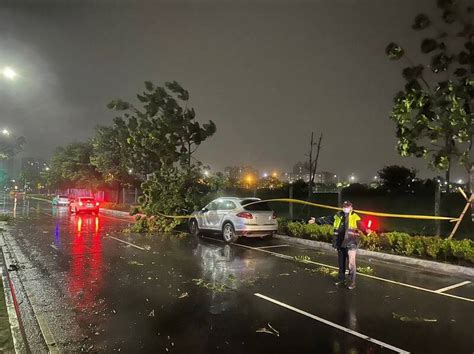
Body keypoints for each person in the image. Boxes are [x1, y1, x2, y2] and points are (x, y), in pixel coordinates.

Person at [332, 201, 369, 290]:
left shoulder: (355, 216)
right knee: (341, 263)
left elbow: (361, 225)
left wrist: (366, 231)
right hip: (340, 242)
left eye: (348, 206)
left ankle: (352, 282)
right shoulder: (338, 215)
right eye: (344, 206)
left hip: (351, 243)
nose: (346, 208)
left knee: (351, 264)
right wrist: (316, 220)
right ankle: (342, 279)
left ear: (351, 207)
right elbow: (328, 219)